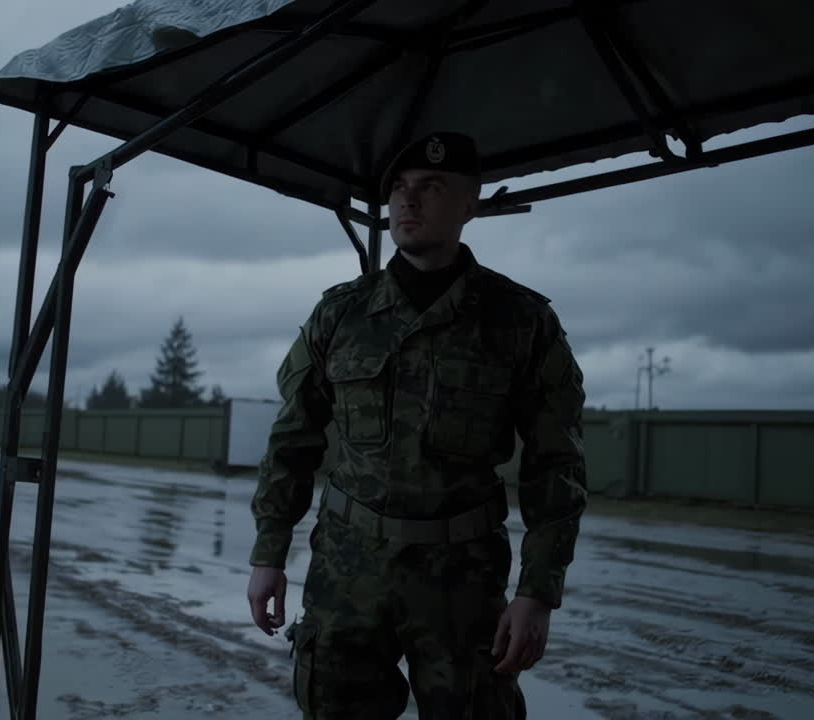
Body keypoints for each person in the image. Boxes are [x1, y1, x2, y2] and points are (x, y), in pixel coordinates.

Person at [245, 132, 587, 719]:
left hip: (462, 573)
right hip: (348, 569)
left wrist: (537, 591)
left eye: (431, 188)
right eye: (400, 190)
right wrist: (268, 552)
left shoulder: (519, 321)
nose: (408, 203)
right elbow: (293, 438)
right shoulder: (342, 313)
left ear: (470, 205)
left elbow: (557, 463)